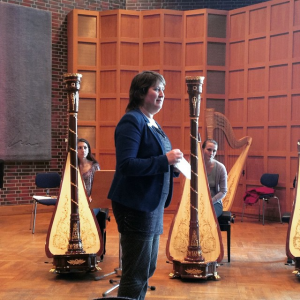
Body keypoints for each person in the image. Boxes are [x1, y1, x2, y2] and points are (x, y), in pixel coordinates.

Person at [108, 71, 183, 300]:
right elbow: (127, 165)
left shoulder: (152, 123)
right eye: (156, 89)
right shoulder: (132, 120)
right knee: (135, 274)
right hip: (136, 206)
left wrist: (172, 166)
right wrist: (165, 161)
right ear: (141, 92)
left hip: (152, 206)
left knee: (146, 269)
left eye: (163, 90)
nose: (162, 94)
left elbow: (156, 160)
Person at [77, 138, 107, 260]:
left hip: (92, 201)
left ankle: (90, 247)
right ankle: (76, 246)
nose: (82, 150)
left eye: (85, 147)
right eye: (79, 147)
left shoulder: (95, 166)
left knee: (85, 216)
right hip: (77, 201)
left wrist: (91, 196)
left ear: (88, 150)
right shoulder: (72, 167)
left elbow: (99, 186)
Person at [202, 139, 227, 218]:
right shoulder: (195, 165)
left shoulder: (220, 168)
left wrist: (210, 201)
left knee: (207, 216)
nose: (211, 153)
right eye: (209, 150)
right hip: (197, 201)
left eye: (214, 151)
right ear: (202, 149)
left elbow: (223, 191)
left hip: (215, 203)